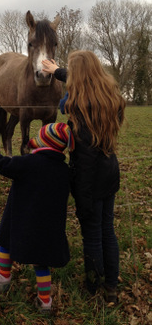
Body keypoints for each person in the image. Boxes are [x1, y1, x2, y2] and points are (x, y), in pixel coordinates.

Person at [42, 50, 126, 303]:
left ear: (77, 77)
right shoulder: (112, 97)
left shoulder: (77, 107)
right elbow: (84, 81)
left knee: (92, 235)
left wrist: (84, 199)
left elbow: (86, 162)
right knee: (108, 231)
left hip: (89, 182)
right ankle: (111, 285)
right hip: (110, 174)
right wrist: (58, 71)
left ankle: (93, 288)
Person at [0, 122, 75, 314]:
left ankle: (3, 279)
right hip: (48, 224)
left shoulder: (28, 162)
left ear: (42, 143)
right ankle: (45, 301)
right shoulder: (64, 170)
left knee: (6, 241)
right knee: (42, 260)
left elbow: (4, 165)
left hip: (19, 216)